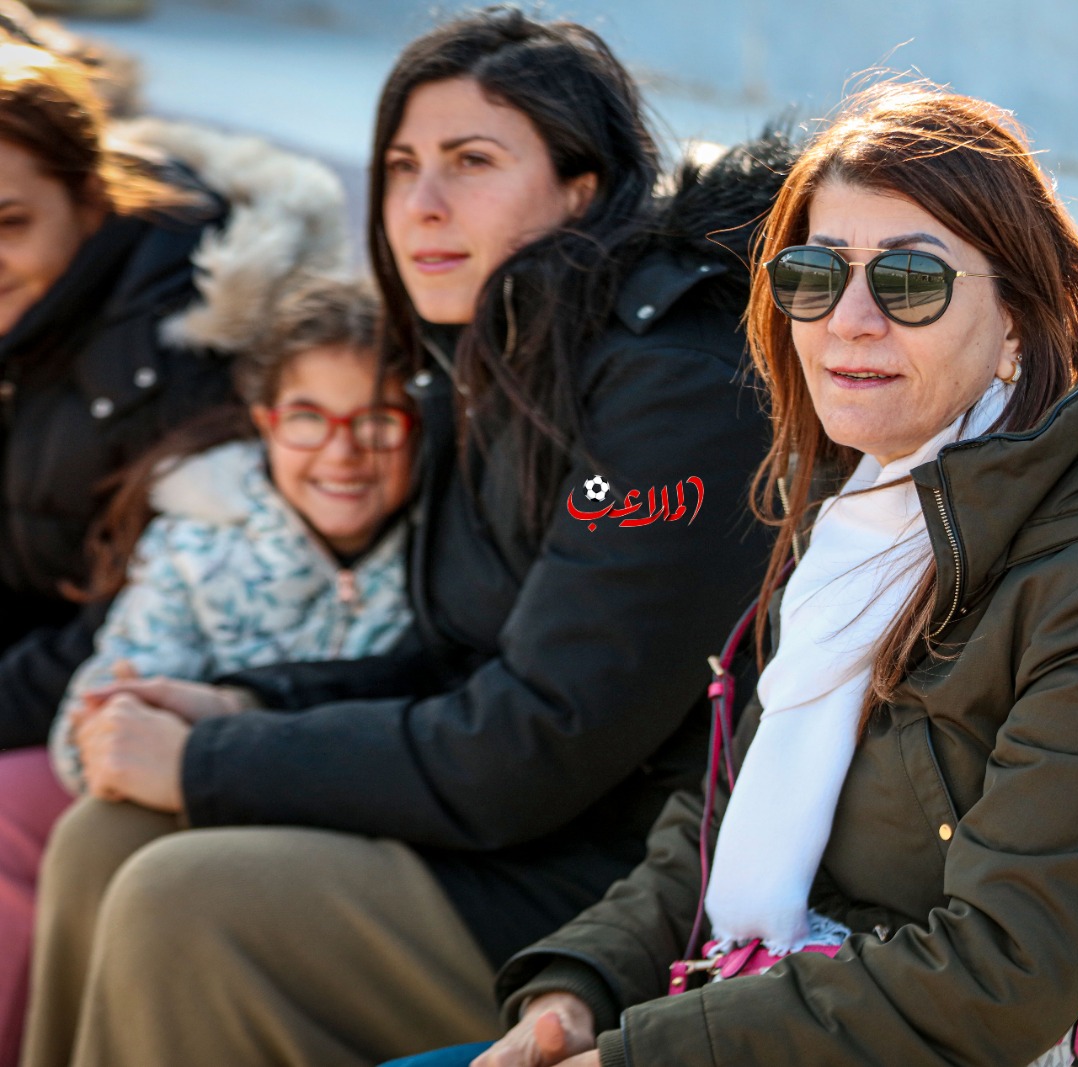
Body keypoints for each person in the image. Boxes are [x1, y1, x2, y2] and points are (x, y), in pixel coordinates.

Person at [397, 82, 1078, 1067]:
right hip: (765, 1005)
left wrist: (632, 1054)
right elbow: (718, 811)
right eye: (813, 275)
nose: (848, 319)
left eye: (909, 280)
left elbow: (994, 981)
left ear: (1017, 325)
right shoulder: (864, 504)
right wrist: (578, 990)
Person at [22, 8, 784, 1067]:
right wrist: (248, 703)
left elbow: (538, 738)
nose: (421, 205)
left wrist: (208, 761)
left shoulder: (674, 386)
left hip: (630, 885)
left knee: (182, 897)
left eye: (471, 162)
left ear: (582, 188)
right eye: (399, 167)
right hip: (523, 830)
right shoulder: (486, 359)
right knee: (106, 832)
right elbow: (455, 656)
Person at [0, 40, 345, 1067]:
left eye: (10, 223)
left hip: (175, 687)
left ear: (90, 197)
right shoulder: (36, 319)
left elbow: (138, 626)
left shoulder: (181, 351)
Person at [49, 276, 417, 798]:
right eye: (307, 418)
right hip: (202, 789)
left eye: (377, 421)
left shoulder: (445, 554)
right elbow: (82, 740)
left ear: (420, 427)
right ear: (266, 423)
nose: (341, 454)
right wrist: (122, 716)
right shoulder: (196, 547)